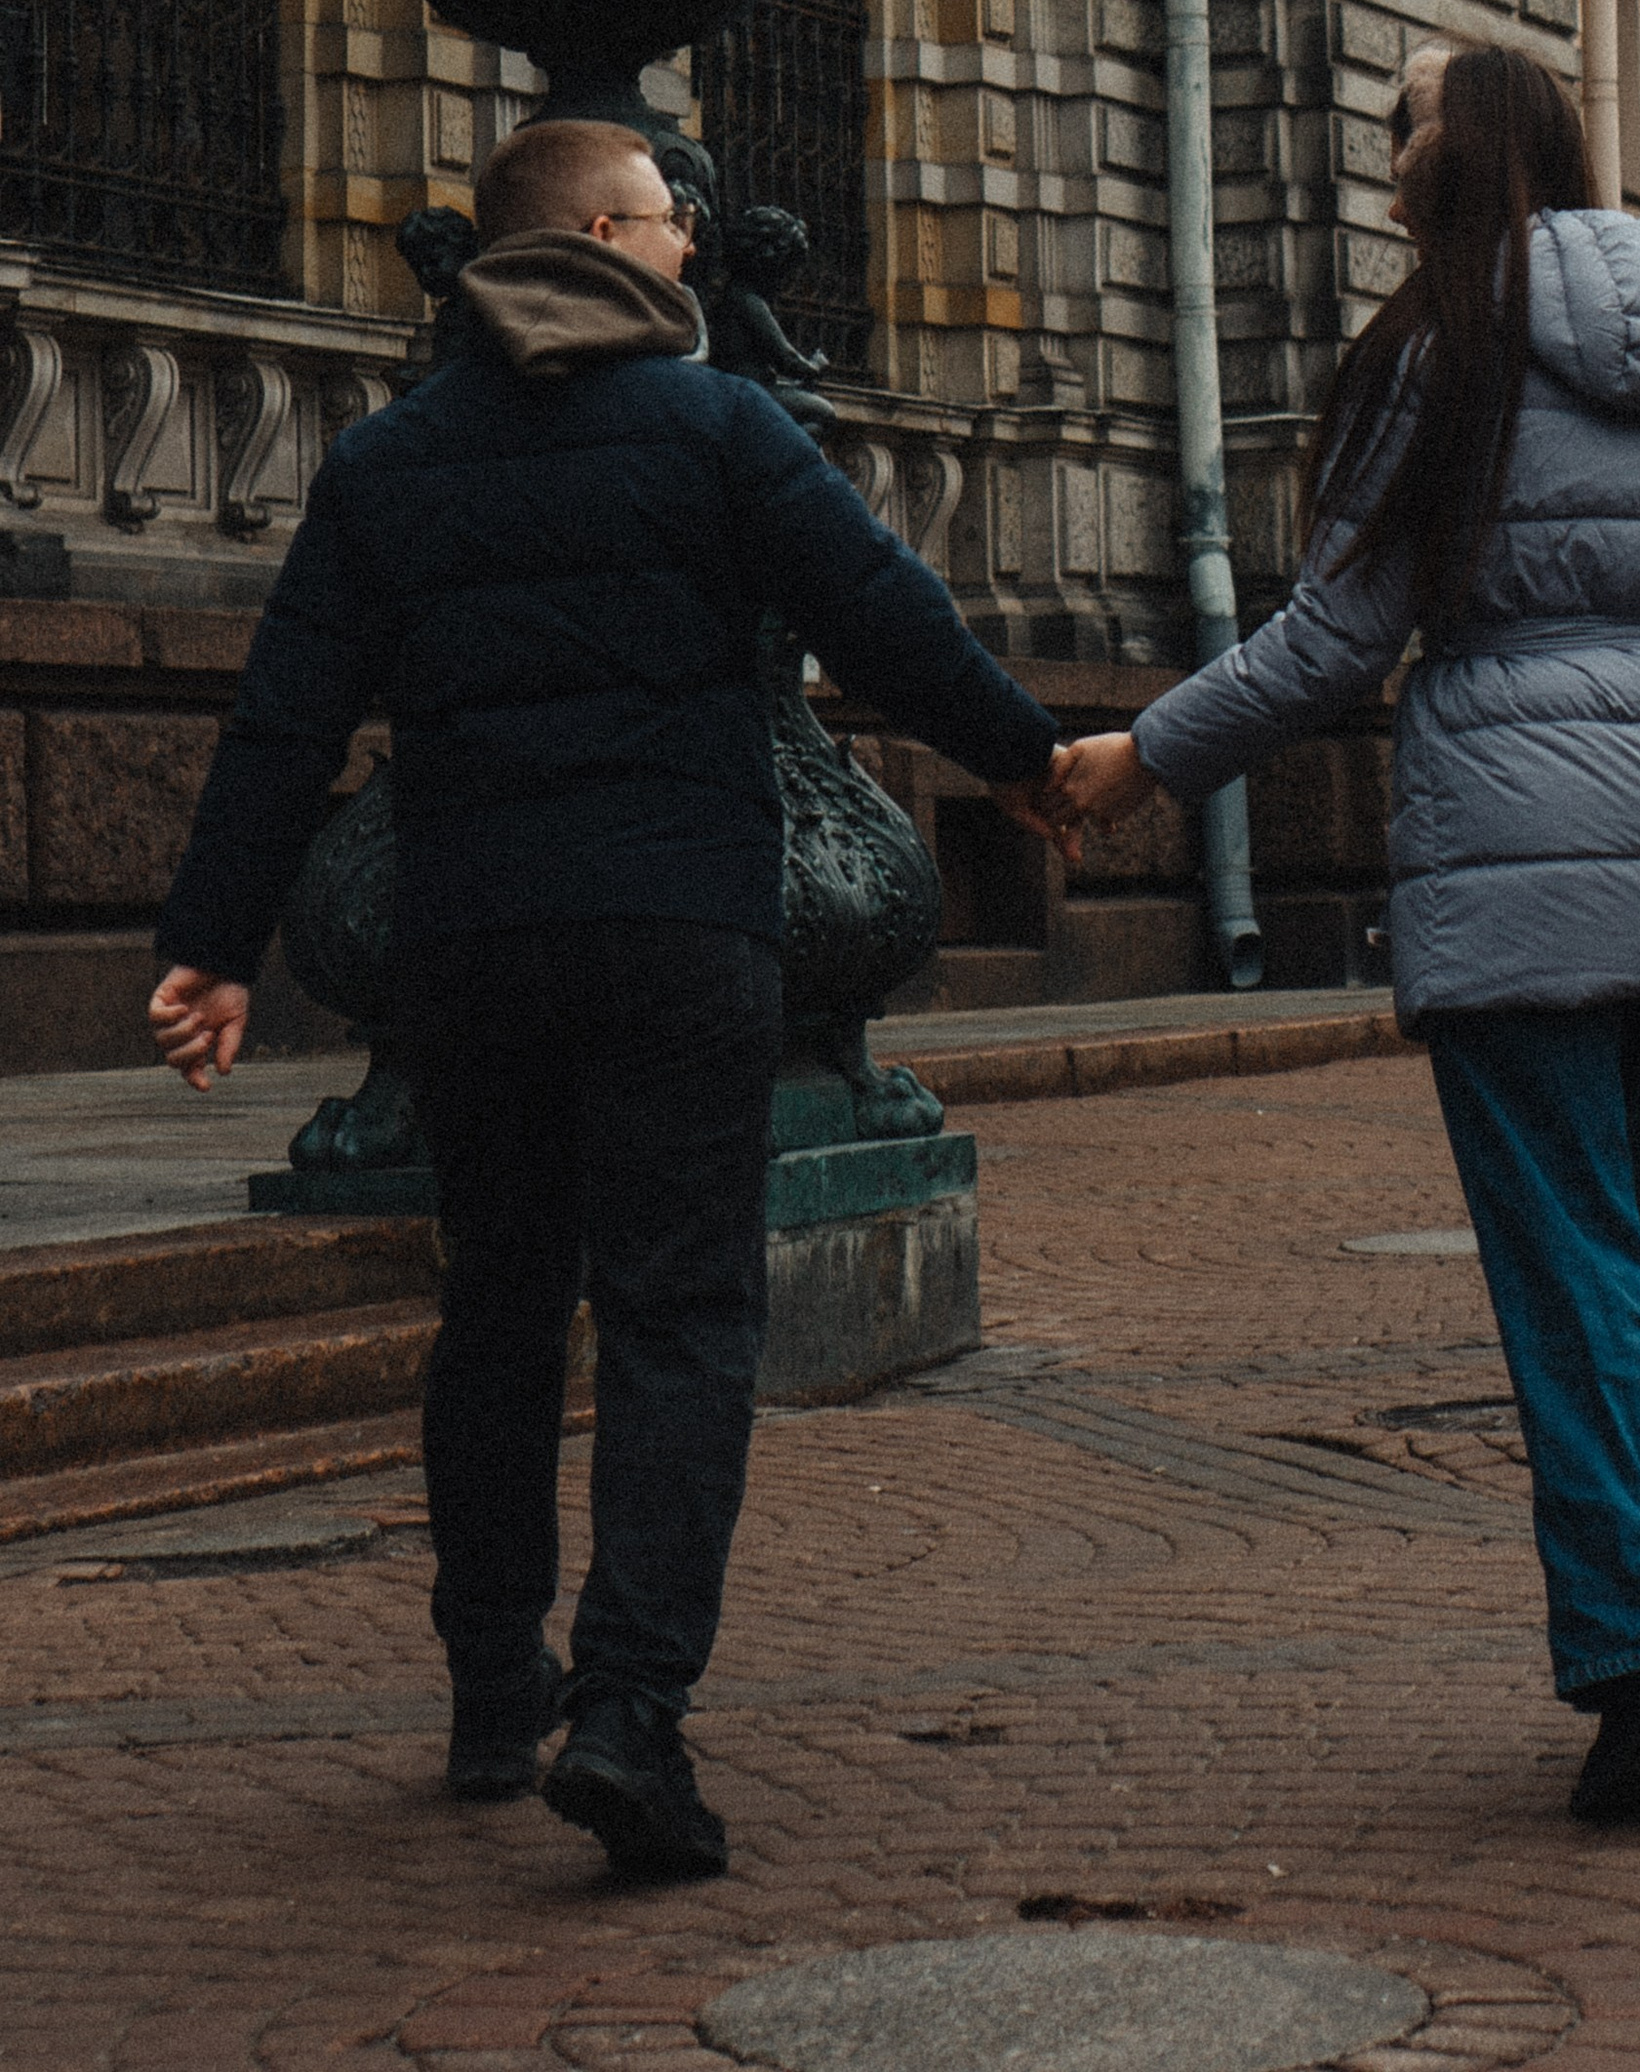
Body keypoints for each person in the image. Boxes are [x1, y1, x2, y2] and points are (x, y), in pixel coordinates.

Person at [149, 119, 1068, 1883]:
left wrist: (210, 944)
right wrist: (1028, 763)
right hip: (678, 932)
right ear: (592, 230)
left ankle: (497, 1689)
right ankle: (632, 1716)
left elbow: (285, 718)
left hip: (472, 943)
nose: (691, 248)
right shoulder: (720, 425)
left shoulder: (393, 464)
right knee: (676, 1318)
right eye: (668, 221)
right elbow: (884, 619)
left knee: (497, 1310)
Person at [1051, 40, 1640, 1825]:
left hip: (1515, 862)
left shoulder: (1443, 353)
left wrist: (1147, 756)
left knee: (1570, 1267)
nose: (1388, 156)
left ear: (1479, 146)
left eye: (1405, 122)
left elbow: (1333, 640)